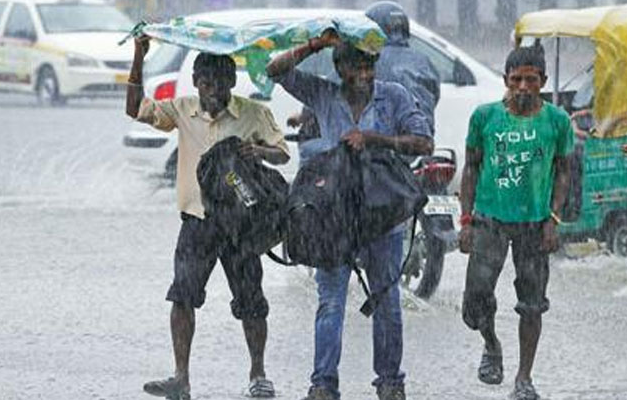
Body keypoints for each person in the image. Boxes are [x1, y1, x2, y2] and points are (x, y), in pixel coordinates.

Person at [266, 31, 433, 400]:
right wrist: (314, 46)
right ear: (338, 68)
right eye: (354, 65)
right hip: (333, 217)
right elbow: (274, 70)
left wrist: (375, 139)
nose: (363, 73)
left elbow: (423, 142)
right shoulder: (323, 94)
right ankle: (323, 383)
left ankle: (390, 382)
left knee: (387, 299)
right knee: (330, 301)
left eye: (369, 64)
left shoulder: (395, 97)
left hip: (382, 215)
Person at [126, 35, 290, 400]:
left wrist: (257, 150)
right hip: (198, 221)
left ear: (232, 83)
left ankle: (258, 373)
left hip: (241, 227)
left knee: (251, 301)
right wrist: (139, 54)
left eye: (220, 82)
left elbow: (282, 154)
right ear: (196, 81)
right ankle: (180, 378)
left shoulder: (253, 113)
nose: (212, 89)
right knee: (182, 296)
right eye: (205, 81)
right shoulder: (182, 110)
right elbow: (135, 108)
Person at [457, 43, 573, 400]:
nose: (523, 87)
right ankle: (491, 345)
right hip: (490, 221)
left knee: (532, 303)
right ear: (506, 80)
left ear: (544, 81)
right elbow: (472, 168)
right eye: (516, 79)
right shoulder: (485, 117)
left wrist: (554, 218)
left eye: (531, 80)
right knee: (475, 301)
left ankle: (524, 378)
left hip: (535, 225)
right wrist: (465, 220)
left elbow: (564, 171)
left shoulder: (557, 121)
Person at [365, 1, 440, 133]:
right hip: (420, 142)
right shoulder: (423, 62)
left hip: (379, 145)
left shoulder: (365, 61)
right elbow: (433, 95)